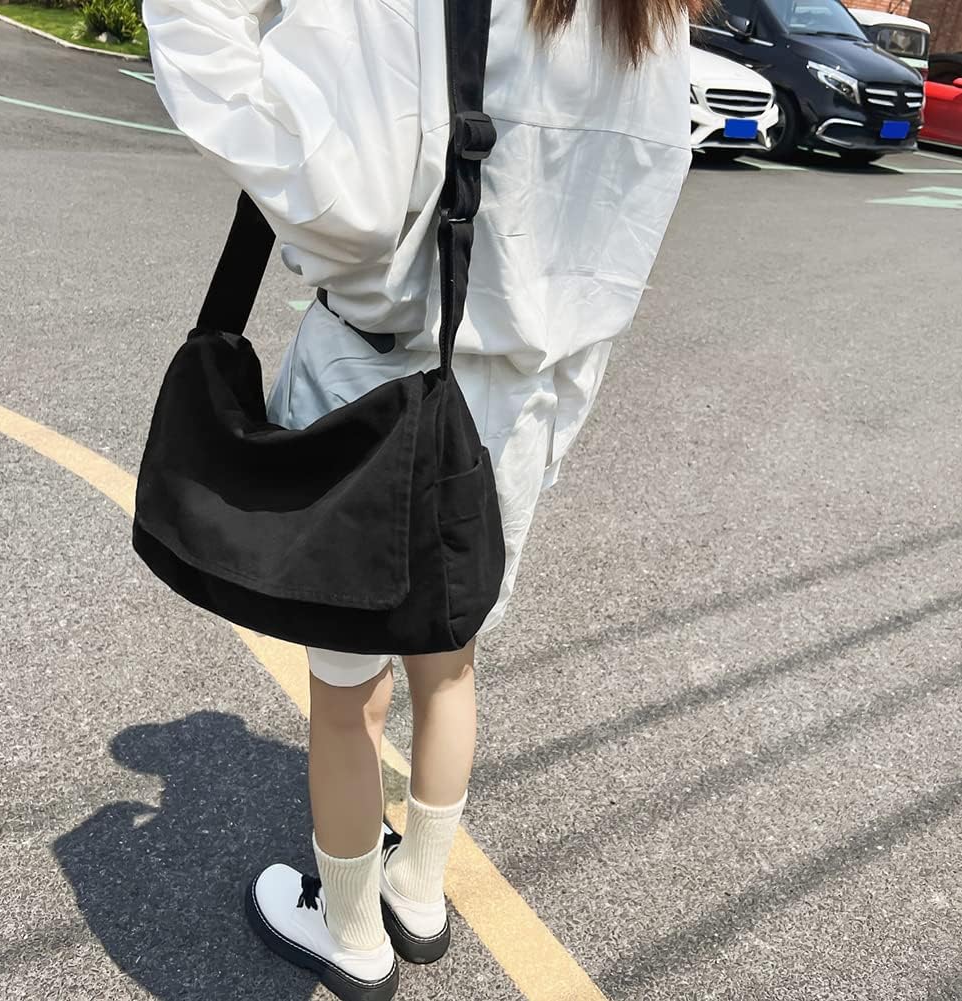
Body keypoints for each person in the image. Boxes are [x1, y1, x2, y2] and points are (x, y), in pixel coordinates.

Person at [142, 0, 702, 997]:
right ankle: (418, 889)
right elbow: (621, 234)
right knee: (450, 660)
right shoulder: (654, 22)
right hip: (527, 395)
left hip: (384, 378)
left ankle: (351, 931)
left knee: (346, 694)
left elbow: (343, 204)